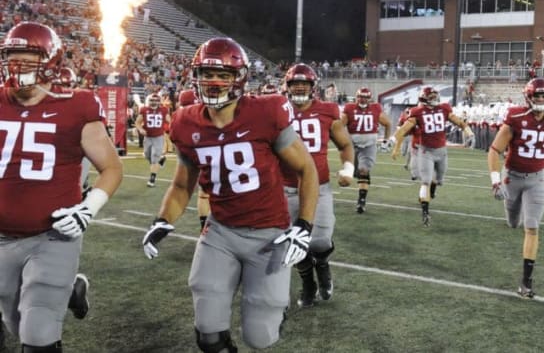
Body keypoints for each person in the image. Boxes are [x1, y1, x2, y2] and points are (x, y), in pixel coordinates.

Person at [140, 37, 319, 351]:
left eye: (223, 75)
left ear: (240, 79)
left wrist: (303, 226)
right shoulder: (185, 121)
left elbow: (307, 170)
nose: (213, 82)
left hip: (269, 234)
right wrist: (162, 219)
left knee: (260, 337)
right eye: (207, 73)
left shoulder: (266, 111)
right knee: (207, 330)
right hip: (220, 232)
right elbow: (183, 185)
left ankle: (276, 307)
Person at [0, 21, 123, 352]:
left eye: (29, 59)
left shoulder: (76, 105)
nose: (18, 66)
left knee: (37, 335)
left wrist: (87, 209)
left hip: (52, 236)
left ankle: (61, 287)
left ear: (49, 63)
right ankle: (71, 289)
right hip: (1, 237)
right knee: (15, 322)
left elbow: (111, 167)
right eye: (13, 58)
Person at [281, 63, 354, 307]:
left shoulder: (327, 111)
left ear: (313, 87)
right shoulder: (276, 111)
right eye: (294, 83)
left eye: (304, 83)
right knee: (294, 243)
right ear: (287, 87)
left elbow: (345, 145)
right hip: (285, 188)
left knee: (320, 242)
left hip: (319, 187)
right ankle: (308, 284)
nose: (299, 87)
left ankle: (322, 265)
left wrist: (347, 169)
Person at [487, 78, 544, 299]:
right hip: (512, 176)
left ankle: (526, 282)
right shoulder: (516, 118)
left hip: (537, 179)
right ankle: (512, 210)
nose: (541, 99)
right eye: (537, 96)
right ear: (528, 97)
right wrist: (495, 181)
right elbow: (494, 151)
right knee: (513, 222)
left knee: (532, 226)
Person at [391, 85, 474, 226]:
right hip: (425, 151)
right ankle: (425, 212)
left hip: (441, 151)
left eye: (435, 96)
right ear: (424, 99)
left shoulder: (444, 108)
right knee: (425, 181)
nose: (435, 99)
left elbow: (459, 121)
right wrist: (393, 140)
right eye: (432, 97)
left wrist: (469, 132)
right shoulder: (417, 112)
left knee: (439, 179)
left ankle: (431, 192)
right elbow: (404, 128)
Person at [341, 86, 392, 213]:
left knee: (364, 170)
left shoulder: (375, 108)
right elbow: (340, 125)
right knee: (352, 174)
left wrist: (386, 140)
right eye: (360, 97)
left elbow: (388, 124)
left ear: (369, 98)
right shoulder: (349, 108)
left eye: (365, 97)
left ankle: (361, 201)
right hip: (352, 145)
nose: (362, 100)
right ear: (356, 97)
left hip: (369, 145)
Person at [176, 88, 210, 230]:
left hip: (200, 161)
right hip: (213, 159)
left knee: (204, 195)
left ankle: (205, 227)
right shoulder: (208, 115)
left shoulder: (180, 119)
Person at [134, 92, 171, 187]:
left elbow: (170, 121)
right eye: (151, 100)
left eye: (155, 100)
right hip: (148, 137)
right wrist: (141, 129)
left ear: (159, 101)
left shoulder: (163, 110)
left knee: (154, 158)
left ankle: (152, 179)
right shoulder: (144, 109)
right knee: (147, 156)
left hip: (158, 137)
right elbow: (137, 122)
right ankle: (161, 160)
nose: (153, 102)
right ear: (148, 101)